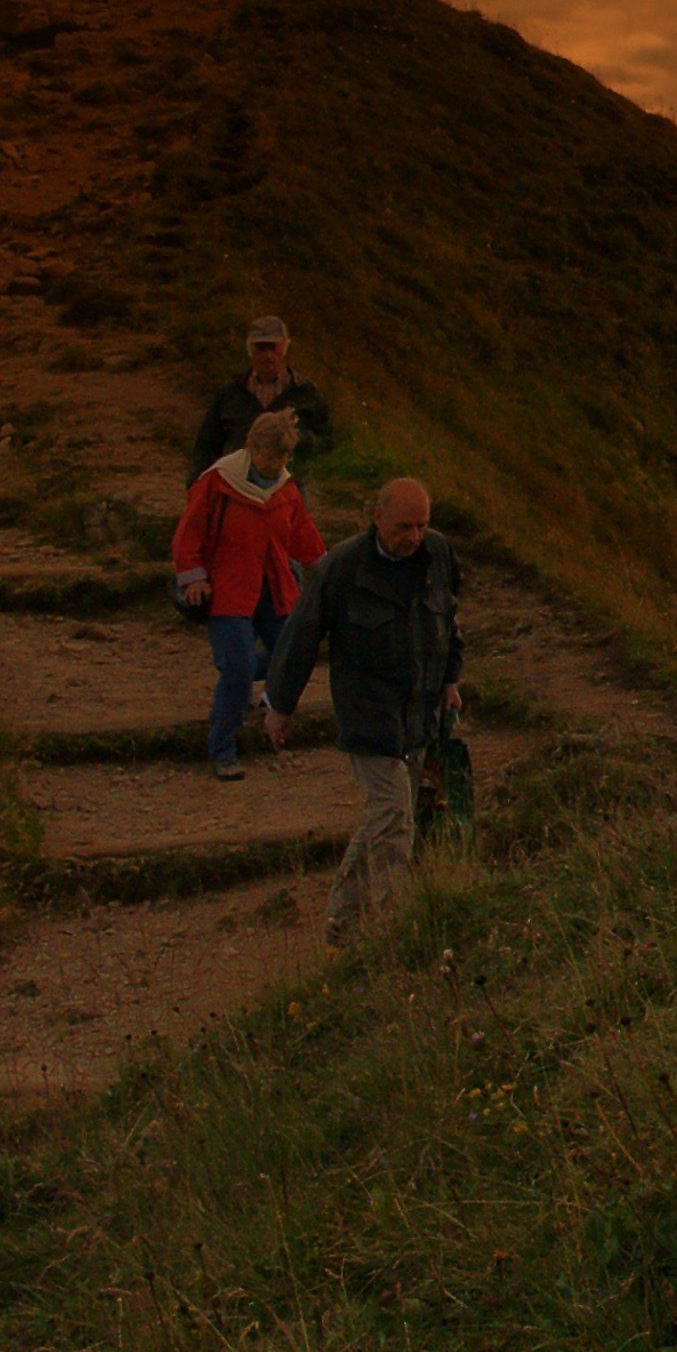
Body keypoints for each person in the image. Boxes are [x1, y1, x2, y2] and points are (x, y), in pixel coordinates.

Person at [262, 477, 462, 943]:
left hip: (417, 710)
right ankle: (402, 928)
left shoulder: (439, 555)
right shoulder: (341, 569)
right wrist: (281, 706)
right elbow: (301, 636)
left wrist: (451, 679)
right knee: (393, 816)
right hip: (366, 711)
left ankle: (343, 921)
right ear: (376, 518)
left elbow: (451, 621)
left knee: (387, 816)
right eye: (402, 527)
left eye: (421, 525)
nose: (412, 537)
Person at [172, 410, 325, 782]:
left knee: (284, 658)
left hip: (273, 587)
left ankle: (233, 668)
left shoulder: (285, 489)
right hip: (229, 589)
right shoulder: (218, 482)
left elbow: (302, 534)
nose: (275, 465)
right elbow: (188, 532)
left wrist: (325, 570)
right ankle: (223, 748)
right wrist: (193, 576)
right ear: (250, 447)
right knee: (240, 673)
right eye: (270, 457)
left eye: (282, 458)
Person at [188, 316, 334, 483]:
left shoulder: (306, 392)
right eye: (261, 348)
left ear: (285, 347)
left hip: (289, 485)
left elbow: (327, 440)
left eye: (273, 347)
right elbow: (206, 444)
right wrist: (196, 484)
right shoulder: (230, 393)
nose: (268, 355)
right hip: (238, 482)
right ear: (250, 350)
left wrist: (298, 441)